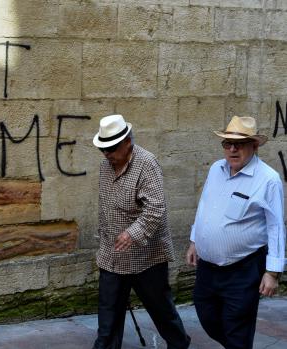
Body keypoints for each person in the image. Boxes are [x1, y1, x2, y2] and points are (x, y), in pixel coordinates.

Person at [186, 115, 285, 349]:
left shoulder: (268, 179)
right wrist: (194, 241)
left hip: (243, 269)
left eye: (238, 144)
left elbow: (276, 226)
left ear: (254, 145)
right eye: (227, 143)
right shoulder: (215, 169)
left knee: (237, 325)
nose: (232, 149)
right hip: (208, 267)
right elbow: (205, 206)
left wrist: (272, 272)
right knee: (206, 315)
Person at [92, 114, 190, 349]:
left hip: (146, 258)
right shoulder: (105, 167)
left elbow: (156, 208)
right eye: (102, 149)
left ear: (128, 142)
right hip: (112, 257)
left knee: (162, 312)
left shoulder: (147, 164)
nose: (107, 154)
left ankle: (179, 344)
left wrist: (132, 233)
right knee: (107, 321)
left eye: (112, 148)